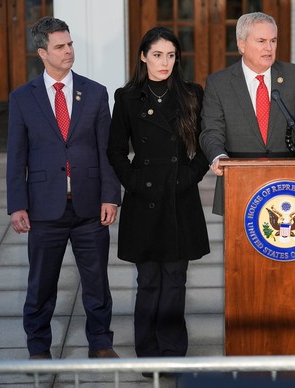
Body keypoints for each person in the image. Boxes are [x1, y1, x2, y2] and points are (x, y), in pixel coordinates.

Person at [6, 16, 121, 360]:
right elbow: (17, 155)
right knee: (41, 285)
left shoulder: (96, 92)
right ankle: (38, 347)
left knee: (97, 284)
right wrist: (17, 205)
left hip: (89, 207)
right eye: (60, 46)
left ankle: (100, 343)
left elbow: (107, 151)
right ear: (42, 52)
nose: (69, 51)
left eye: (70, 44)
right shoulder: (22, 98)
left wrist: (110, 197)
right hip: (43, 208)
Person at [107, 26, 210, 371]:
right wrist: (134, 181)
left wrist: (189, 175)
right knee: (148, 280)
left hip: (179, 197)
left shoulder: (192, 94)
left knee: (176, 279)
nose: (164, 62)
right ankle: (147, 352)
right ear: (143, 56)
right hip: (144, 199)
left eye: (170, 55)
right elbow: (116, 149)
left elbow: (207, 146)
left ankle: (172, 354)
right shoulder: (127, 97)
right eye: (157, 55)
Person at [199, 11, 295, 215]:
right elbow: (211, 131)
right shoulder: (219, 83)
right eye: (261, 41)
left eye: (273, 40)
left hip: (288, 186)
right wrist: (218, 156)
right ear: (241, 44)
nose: (269, 47)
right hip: (239, 185)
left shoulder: (294, 76)